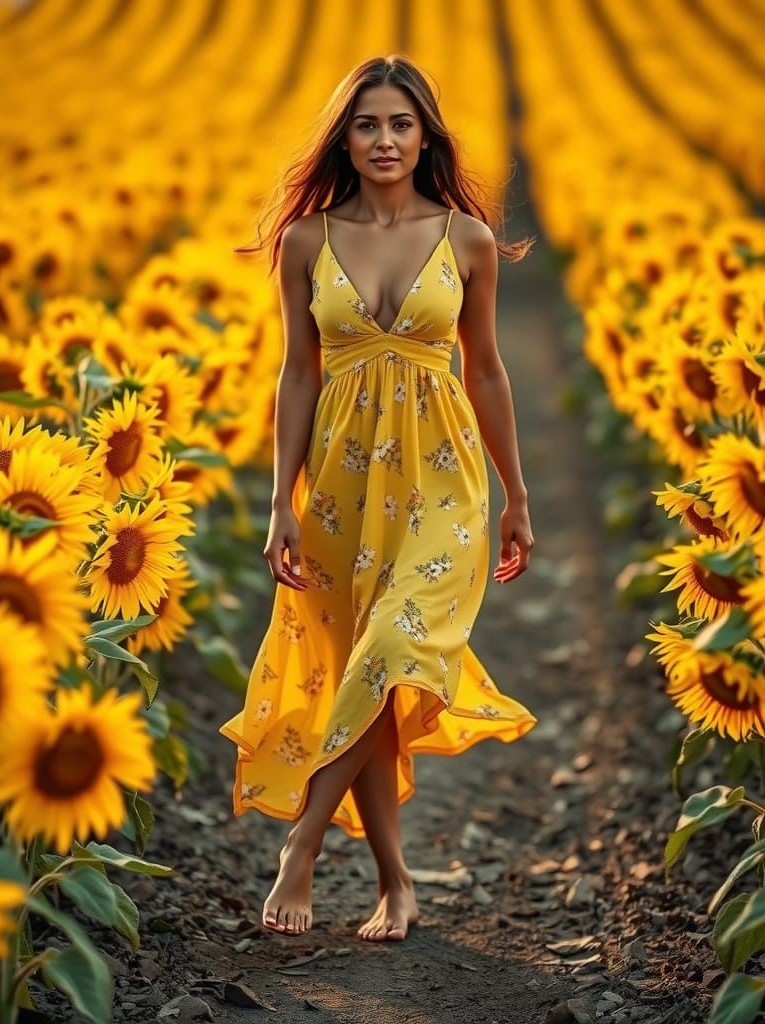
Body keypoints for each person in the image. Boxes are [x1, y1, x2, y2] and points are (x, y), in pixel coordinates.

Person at [219, 54, 538, 942]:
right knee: (366, 676)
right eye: (367, 125)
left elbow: (487, 370)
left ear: (425, 134)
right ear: (345, 138)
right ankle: (397, 883)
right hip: (342, 486)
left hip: (443, 478)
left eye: (401, 123)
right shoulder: (307, 242)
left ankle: (302, 849)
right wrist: (282, 501)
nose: (385, 139)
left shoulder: (467, 238)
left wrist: (517, 495)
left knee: (396, 647)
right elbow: (295, 375)